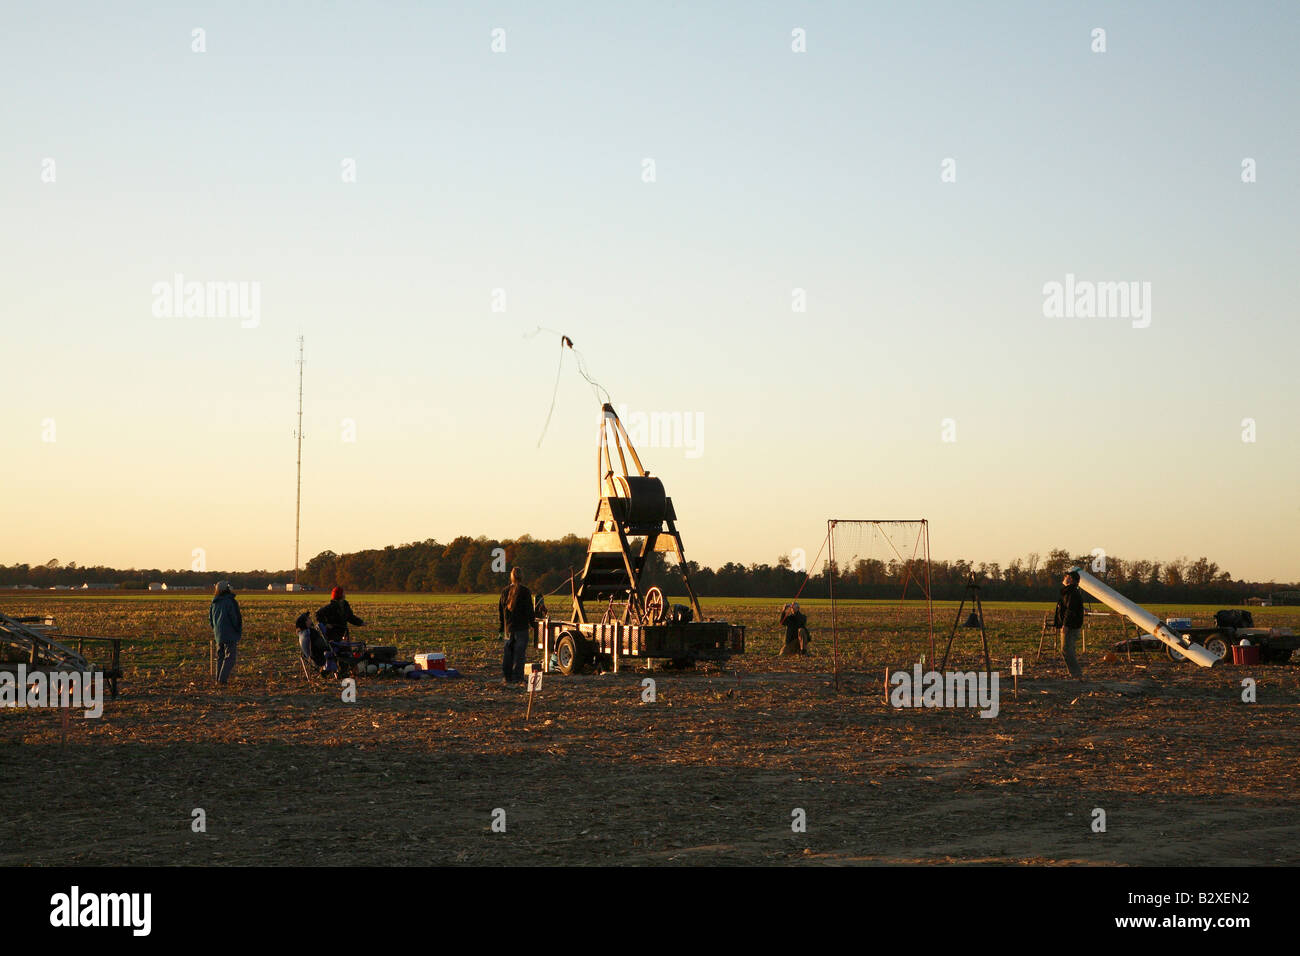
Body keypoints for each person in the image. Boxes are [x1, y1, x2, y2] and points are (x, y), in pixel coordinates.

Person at [498, 568, 533, 684]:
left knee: (508, 653)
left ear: (511, 577)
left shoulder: (504, 591)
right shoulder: (525, 592)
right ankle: (518, 677)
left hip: (508, 628)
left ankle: (507, 677)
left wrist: (502, 628)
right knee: (519, 654)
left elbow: (501, 612)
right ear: (522, 577)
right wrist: (533, 624)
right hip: (521, 628)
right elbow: (529, 611)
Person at [1053, 568, 1085, 679]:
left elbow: (1069, 610)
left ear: (1070, 579)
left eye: (1066, 576)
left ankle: (1076, 673)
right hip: (1071, 625)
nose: (1064, 578)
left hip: (1070, 626)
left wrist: (1065, 625)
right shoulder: (1070, 592)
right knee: (1069, 649)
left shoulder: (1071, 593)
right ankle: (1074, 673)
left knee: (1066, 649)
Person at [209, 581, 242, 685]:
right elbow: (234, 617)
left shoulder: (214, 603)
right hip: (229, 633)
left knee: (220, 657)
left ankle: (218, 679)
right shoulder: (230, 601)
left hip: (218, 634)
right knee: (230, 657)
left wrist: (216, 630)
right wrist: (237, 628)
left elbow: (211, 619)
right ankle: (222, 680)